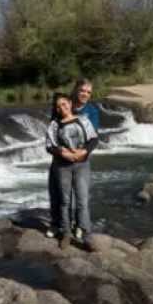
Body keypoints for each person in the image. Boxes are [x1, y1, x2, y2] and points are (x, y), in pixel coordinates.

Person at [45, 94, 98, 249]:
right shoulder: (54, 125)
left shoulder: (83, 120)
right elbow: (49, 146)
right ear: (56, 109)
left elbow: (94, 139)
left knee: (82, 201)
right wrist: (63, 153)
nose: (62, 107)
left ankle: (87, 236)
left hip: (82, 165)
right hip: (62, 167)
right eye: (58, 106)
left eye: (64, 103)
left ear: (70, 103)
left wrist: (84, 152)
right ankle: (66, 233)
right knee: (65, 201)